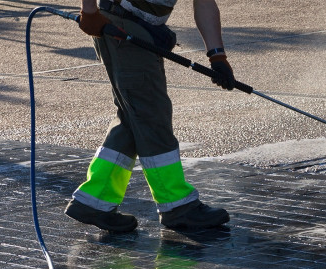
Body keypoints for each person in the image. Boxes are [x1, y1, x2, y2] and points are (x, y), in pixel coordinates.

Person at [65, 0, 235, 232]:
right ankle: (177, 205)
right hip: (122, 27)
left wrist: (217, 56)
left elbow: (204, 2)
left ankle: (95, 200)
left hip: (134, 28)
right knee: (151, 116)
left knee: (134, 115)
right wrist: (89, 12)